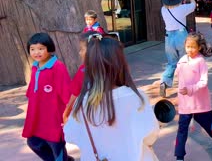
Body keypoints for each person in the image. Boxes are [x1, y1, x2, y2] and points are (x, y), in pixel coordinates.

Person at [64, 34, 159, 161]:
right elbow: (150, 136)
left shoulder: (82, 102)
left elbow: (70, 136)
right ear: (120, 64)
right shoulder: (137, 98)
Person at [22, 32, 73, 161]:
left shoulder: (57, 67)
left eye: (41, 48)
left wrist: (69, 115)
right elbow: (32, 91)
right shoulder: (35, 67)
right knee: (33, 142)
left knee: (56, 146)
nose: (36, 52)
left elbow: (67, 93)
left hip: (54, 118)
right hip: (38, 117)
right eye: (32, 49)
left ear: (49, 49)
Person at [174, 32, 212, 161]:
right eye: (188, 46)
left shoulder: (200, 61)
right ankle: (179, 156)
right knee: (182, 129)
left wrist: (190, 89)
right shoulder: (182, 59)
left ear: (199, 47)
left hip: (200, 103)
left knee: (209, 125)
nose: (190, 50)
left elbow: (203, 82)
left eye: (193, 47)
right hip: (185, 104)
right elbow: (178, 73)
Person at [158, 0, 196, 98]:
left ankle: (164, 81)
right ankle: (185, 85)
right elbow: (194, 5)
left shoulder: (163, 9)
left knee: (171, 63)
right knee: (184, 61)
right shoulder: (182, 8)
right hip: (181, 35)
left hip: (169, 37)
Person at [63, 31, 96, 124]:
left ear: (92, 51)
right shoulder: (111, 69)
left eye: (82, 49)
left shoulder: (83, 71)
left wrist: (66, 114)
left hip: (86, 116)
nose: (79, 52)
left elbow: (74, 94)